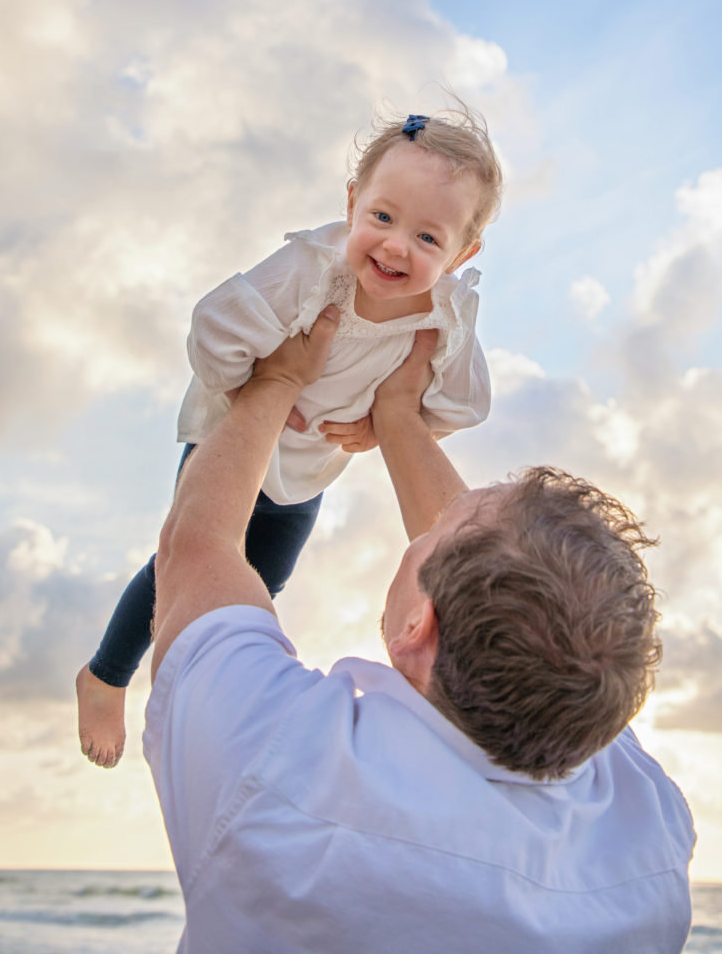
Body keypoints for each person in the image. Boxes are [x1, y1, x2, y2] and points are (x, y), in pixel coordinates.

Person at [145, 309, 695, 954]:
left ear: (418, 625)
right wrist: (399, 416)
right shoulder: (645, 828)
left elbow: (198, 546)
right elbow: (517, 596)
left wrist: (277, 383)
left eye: (432, 535)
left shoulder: (281, 770)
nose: (428, 523)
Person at [77, 105, 503, 768]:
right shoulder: (311, 270)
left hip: (309, 467)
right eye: (382, 218)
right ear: (353, 201)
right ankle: (106, 675)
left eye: (427, 238)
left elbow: (462, 403)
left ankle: (213, 676)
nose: (394, 246)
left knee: (263, 576)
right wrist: (253, 390)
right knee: (186, 557)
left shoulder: (444, 315)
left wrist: (378, 428)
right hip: (234, 441)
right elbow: (216, 325)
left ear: (462, 254)